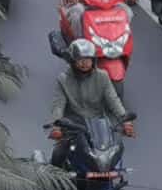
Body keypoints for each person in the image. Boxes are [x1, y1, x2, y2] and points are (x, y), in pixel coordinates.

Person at [47, 38, 135, 170]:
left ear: (93, 60)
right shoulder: (63, 79)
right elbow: (58, 105)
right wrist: (56, 126)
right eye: (80, 59)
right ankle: (54, 178)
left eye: (88, 59)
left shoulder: (102, 76)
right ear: (72, 60)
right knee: (58, 153)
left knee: (115, 152)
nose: (85, 63)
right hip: (72, 126)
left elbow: (113, 100)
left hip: (98, 127)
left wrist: (125, 121)